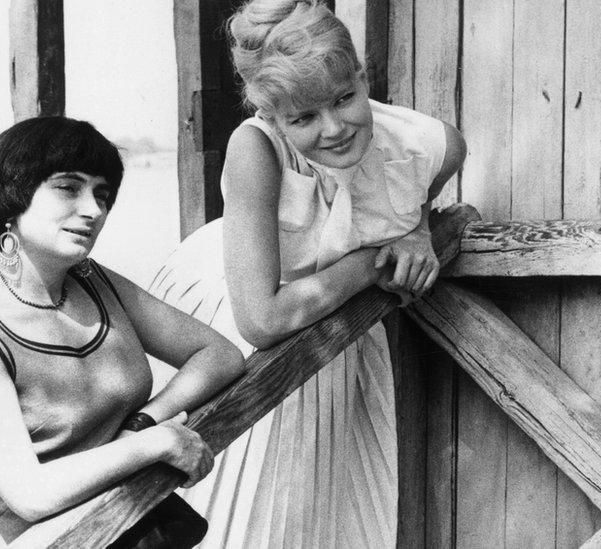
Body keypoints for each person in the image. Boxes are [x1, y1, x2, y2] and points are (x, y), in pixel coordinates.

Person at [149, 1, 467, 547]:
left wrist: (413, 230)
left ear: (362, 78)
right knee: (236, 510)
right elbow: (262, 320)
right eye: (303, 118)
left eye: (345, 98)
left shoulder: (429, 145)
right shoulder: (256, 148)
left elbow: (421, 189)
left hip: (327, 324)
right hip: (237, 315)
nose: (335, 127)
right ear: (273, 117)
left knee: (320, 511)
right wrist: (372, 261)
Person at [0, 116, 246, 545]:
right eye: (67, 187)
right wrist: (154, 445)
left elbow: (219, 354)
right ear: (12, 194)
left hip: (129, 518)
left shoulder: (94, 281)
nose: (93, 210)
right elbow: (30, 494)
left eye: (103, 194)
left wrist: (142, 422)